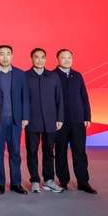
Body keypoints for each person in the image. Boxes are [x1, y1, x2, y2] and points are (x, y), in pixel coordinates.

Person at [0, 45, 30, 195]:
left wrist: (25, 117)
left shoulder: (20, 74)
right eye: (1, 54)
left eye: (8, 54)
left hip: (16, 120)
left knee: (15, 152)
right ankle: (0, 184)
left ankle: (16, 183)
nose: (5, 57)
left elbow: (25, 97)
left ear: (12, 56)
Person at [54, 49, 97, 194]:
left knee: (79, 152)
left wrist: (87, 116)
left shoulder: (77, 76)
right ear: (57, 59)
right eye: (63, 57)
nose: (67, 60)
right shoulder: (53, 76)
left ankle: (83, 182)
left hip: (78, 121)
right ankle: (63, 181)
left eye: (69, 57)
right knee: (60, 152)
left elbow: (84, 97)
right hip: (60, 122)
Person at [25, 48, 64, 193]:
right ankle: (35, 180)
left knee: (49, 151)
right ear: (31, 59)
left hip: (50, 120)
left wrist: (60, 118)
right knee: (32, 151)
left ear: (46, 59)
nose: (40, 60)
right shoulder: (25, 76)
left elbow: (59, 98)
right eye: (36, 57)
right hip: (32, 120)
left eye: (42, 57)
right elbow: (22, 99)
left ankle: (49, 180)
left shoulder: (53, 76)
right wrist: (24, 117)